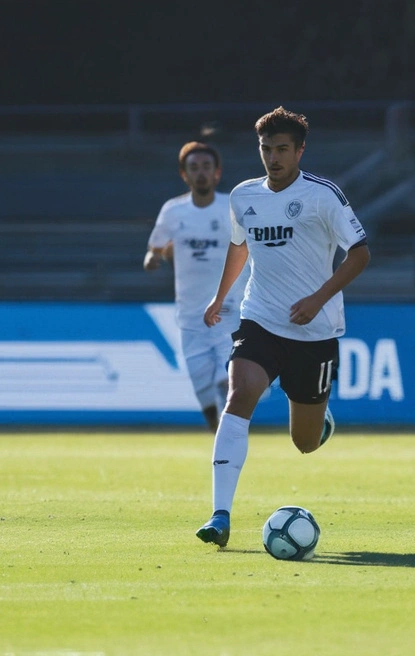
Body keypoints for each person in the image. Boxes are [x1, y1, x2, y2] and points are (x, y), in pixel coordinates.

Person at [195, 107, 371, 547]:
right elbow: (240, 247)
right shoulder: (243, 196)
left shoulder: (322, 196)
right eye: (266, 149)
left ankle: (320, 419)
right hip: (261, 320)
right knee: (238, 395)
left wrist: (319, 298)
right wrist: (220, 298)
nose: (272, 158)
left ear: (300, 151)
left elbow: (361, 253)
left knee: (305, 444)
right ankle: (220, 516)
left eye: (282, 150)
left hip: (315, 331)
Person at [143, 141, 248, 431]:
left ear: (217, 173)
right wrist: (154, 258)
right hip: (190, 314)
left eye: (206, 167)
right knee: (202, 385)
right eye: (194, 168)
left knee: (227, 377)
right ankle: (219, 430)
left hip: (228, 307)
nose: (200, 173)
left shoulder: (232, 207)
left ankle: (233, 426)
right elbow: (154, 249)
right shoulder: (173, 211)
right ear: (184, 175)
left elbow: (251, 245)